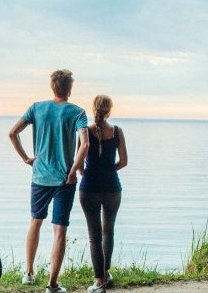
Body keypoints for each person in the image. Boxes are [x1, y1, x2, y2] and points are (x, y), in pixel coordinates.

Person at [8, 69, 89, 293]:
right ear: (69, 88)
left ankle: (28, 272)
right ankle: (52, 285)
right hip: (65, 180)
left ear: (52, 87)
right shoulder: (78, 113)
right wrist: (73, 171)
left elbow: (13, 133)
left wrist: (26, 158)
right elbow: (85, 144)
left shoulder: (37, 108)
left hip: (40, 176)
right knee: (59, 230)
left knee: (35, 221)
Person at [67, 94, 127, 293]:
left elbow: (79, 163)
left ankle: (99, 281)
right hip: (112, 189)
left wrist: (86, 172)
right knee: (108, 231)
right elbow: (124, 162)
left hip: (89, 188)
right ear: (109, 110)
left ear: (93, 109)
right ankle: (106, 274)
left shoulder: (85, 132)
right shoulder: (117, 132)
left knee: (94, 236)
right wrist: (109, 169)